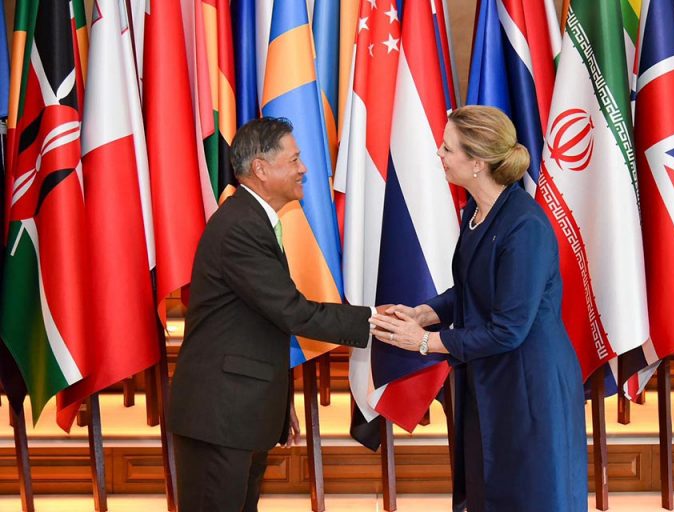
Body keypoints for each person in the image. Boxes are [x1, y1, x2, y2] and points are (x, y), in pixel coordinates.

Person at [370, 105, 588, 511]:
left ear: (477, 163)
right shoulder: (477, 209)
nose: (439, 154)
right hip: (488, 377)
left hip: (529, 386)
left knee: (527, 495)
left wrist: (425, 342)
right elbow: (474, 287)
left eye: (447, 148)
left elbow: (508, 329)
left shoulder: (524, 226)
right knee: (486, 489)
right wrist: (423, 313)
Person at [169, 117, 375, 512]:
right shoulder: (241, 227)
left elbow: (257, 324)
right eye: (294, 159)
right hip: (219, 418)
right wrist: (375, 322)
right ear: (261, 169)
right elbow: (292, 312)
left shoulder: (252, 219)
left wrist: (278, 403)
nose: (304, 169)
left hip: (241, 412)